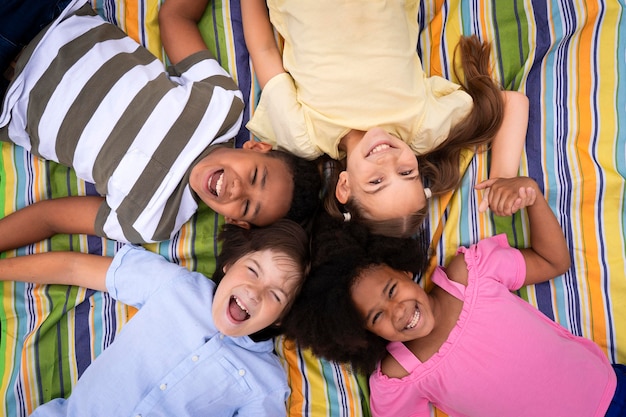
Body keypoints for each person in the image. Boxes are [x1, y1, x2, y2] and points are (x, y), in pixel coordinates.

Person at [284, 177, 625, 416]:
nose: (398, 310)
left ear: (404, 272)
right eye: (377, 317)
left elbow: (554, 261)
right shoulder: (399, 375)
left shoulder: (470, 272)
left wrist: (531, 194)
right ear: (365, 334)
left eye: (391, 290)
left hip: (612, 389)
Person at [0, 0, 321, 247]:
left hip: (7, 101)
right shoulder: (222, 108)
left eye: (248, 206)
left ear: (237, 222)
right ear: (256, 147)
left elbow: (50, 218)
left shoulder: (149, 222)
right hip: (50, 18)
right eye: (254, 175)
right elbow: (176, 17)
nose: (237, 189)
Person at [239, 0, 530, 237]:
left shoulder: (305, 135)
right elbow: (510, 104)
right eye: (407, 173)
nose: (389, 162)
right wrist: (503, 176)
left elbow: (263, 50)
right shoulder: (421, 128)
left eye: (376, 181)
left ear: (345, 186)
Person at [0, 218, 310, 416]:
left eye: (275, 296)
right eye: (253, 271)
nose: (255, 292)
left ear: (281, 318)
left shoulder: (266, 383)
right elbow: (75, 268)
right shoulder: (176, 286)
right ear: (229, 264)